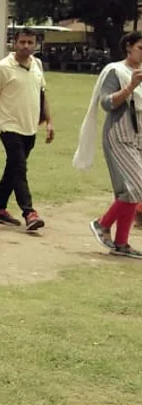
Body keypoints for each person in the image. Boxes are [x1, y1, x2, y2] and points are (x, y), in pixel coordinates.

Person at [76, 31, 142, 258]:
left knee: (129, 191)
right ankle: (102, 224)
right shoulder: (116, 71)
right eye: (140, 48)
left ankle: (121, 242)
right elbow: (107, 103)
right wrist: (130, 87)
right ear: (129, 48)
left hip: (138, 137)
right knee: (136, 187)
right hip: (119, 135)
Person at [0, 28, 51, 231]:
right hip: (9, 127)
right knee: (19, 169)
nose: (26, 46)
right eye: (22, 42)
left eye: (30, 42)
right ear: (15, 42)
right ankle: (29, 212)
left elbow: (42, 93)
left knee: (13, 169)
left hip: (29, 127)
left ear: (35, 44)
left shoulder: (37, 65)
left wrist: (49, 121)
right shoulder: (3, 67)